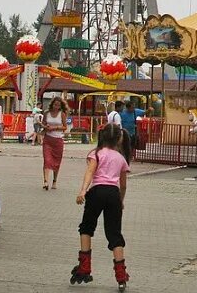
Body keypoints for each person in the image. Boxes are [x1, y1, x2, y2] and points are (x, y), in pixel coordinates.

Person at [71, 124, 131, 289]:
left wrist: (83, 191)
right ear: (119, 138)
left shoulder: (95, 154)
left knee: (86, 227)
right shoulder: (121, 158)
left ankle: (84, 267)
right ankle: (121, 275)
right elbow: (123, 185)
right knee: (114, 233)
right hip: (113, 194)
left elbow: (90, 173)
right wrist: (121, 200)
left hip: (96, 192)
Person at [43, 97, 69, 189]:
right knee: (47, 160)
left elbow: (65, 127)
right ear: (52, 104)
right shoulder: (47, 113)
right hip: (48, 139)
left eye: (58, 105)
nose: (56, 106)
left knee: (56, 162)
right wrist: (45, 126)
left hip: (58, 140)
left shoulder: (61, 114)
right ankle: (45, 181)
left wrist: (55, 128)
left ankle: (54, 181)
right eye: (55, 104)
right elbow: (44, 124)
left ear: (60, 106)